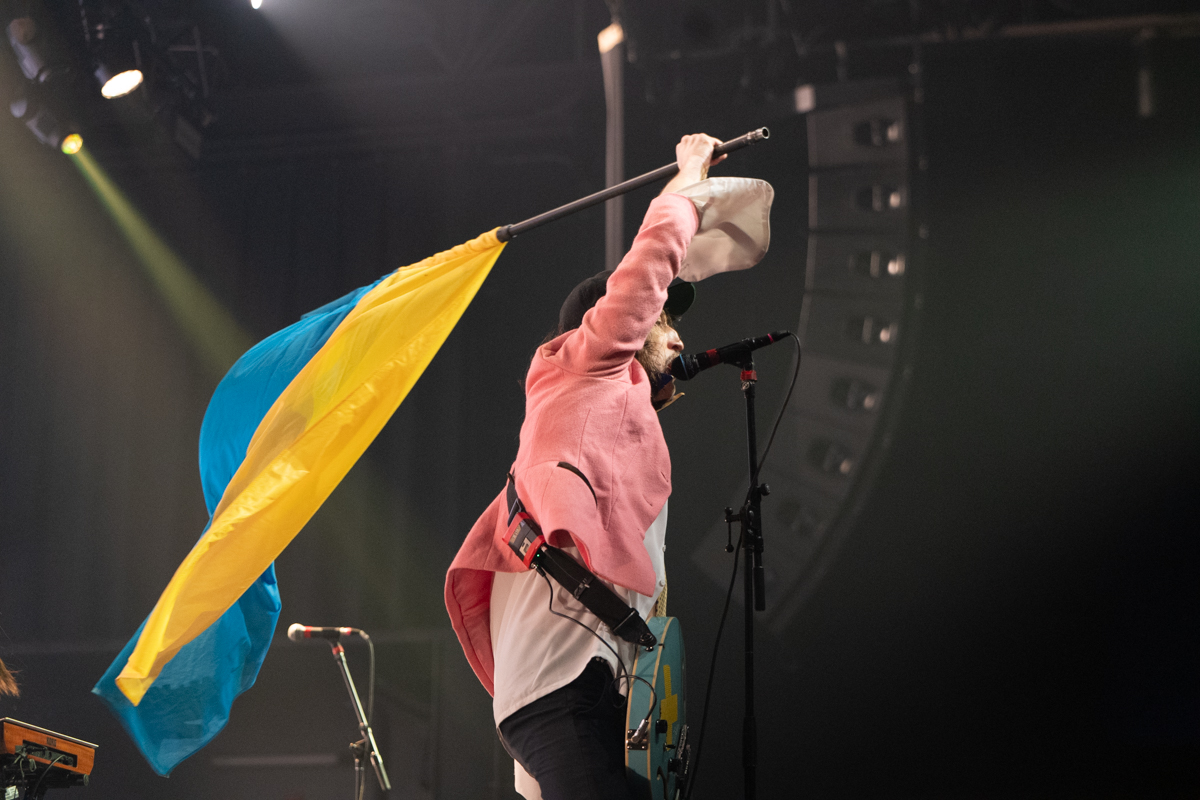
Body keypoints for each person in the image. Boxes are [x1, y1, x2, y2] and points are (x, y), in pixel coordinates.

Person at [444, 134, 724, 800]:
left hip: (590, 694)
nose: (678, 335)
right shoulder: (579, 365)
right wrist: (689, 176)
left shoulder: (614, 434)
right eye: (662, 317)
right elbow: (648, 265)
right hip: (562, 691)